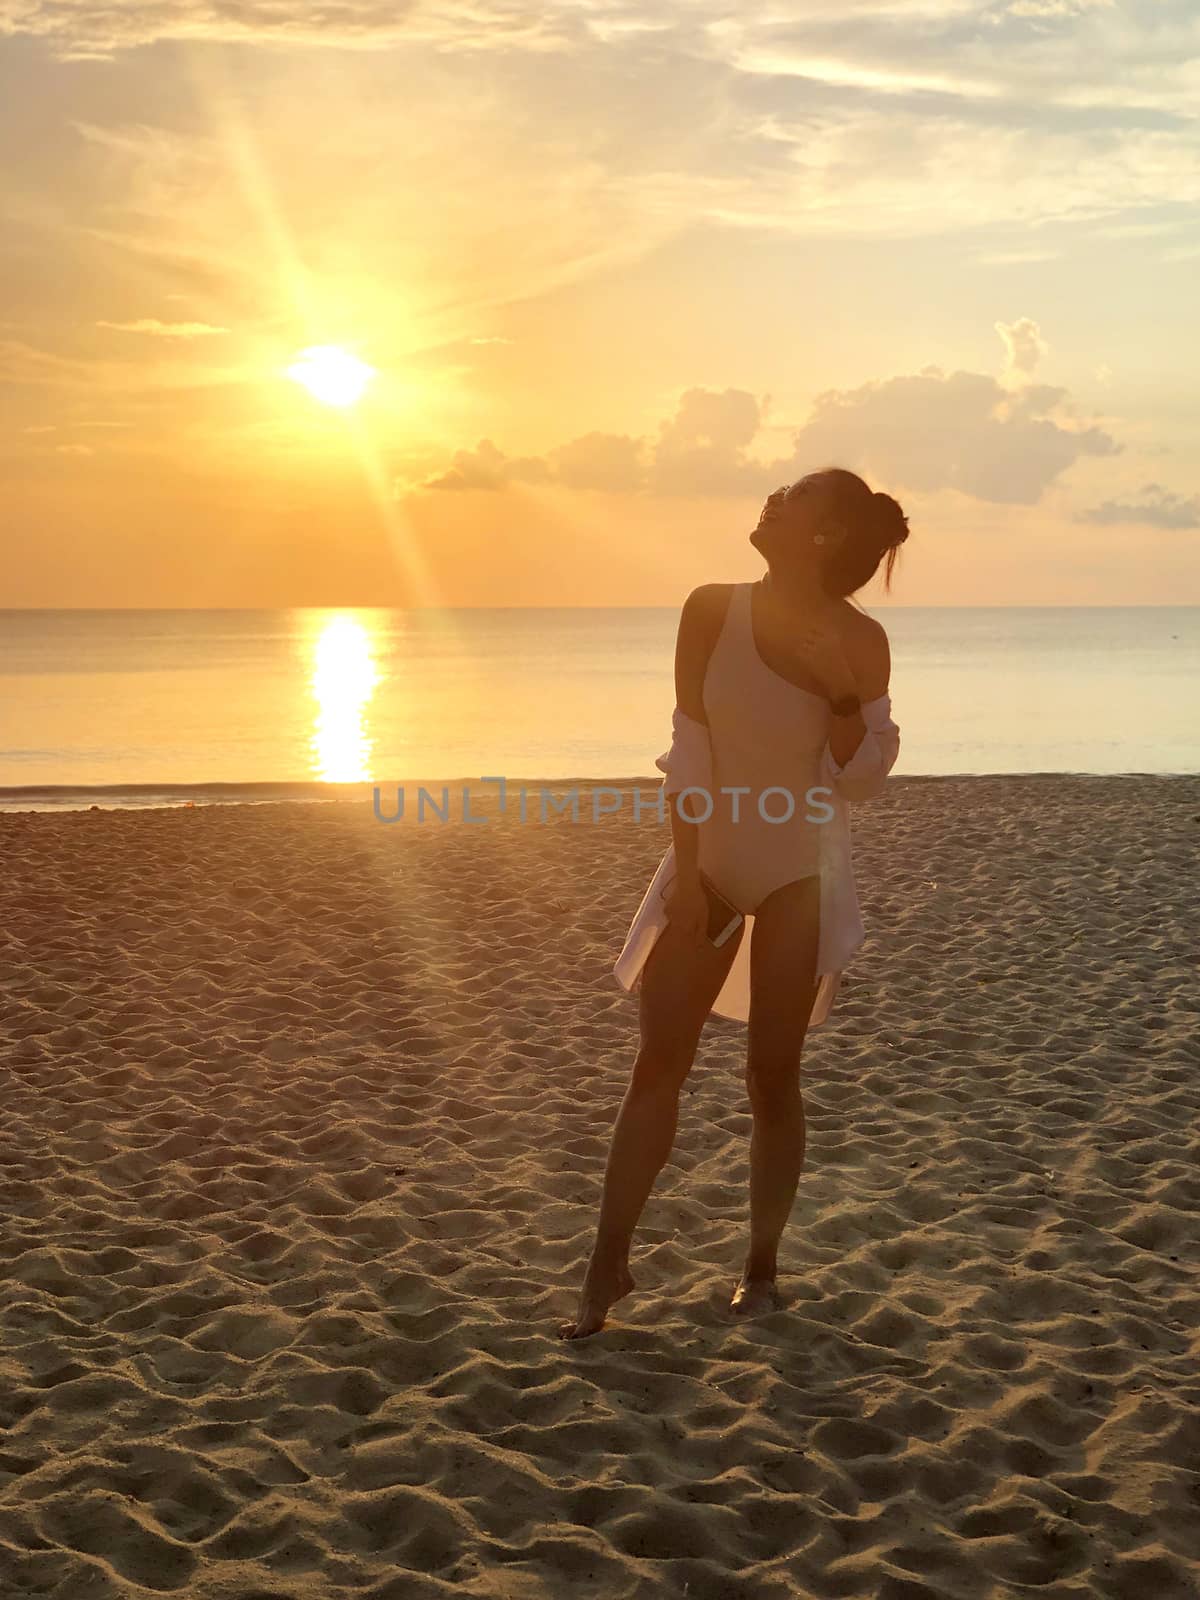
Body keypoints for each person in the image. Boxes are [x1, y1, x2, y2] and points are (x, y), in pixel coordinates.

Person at [558, 467, 909, 1340]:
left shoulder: (863, 641)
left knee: (771, 1078)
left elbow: (861, 781)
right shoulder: (710, 609)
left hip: (799, 871)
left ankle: (760, 1269)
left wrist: (837, 691)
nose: (769, 503)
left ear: (823, 535)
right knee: (657, 1070)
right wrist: (687, 875)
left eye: (789, 499)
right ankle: (608, 1260)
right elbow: (689, 749)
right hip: (709, 862)